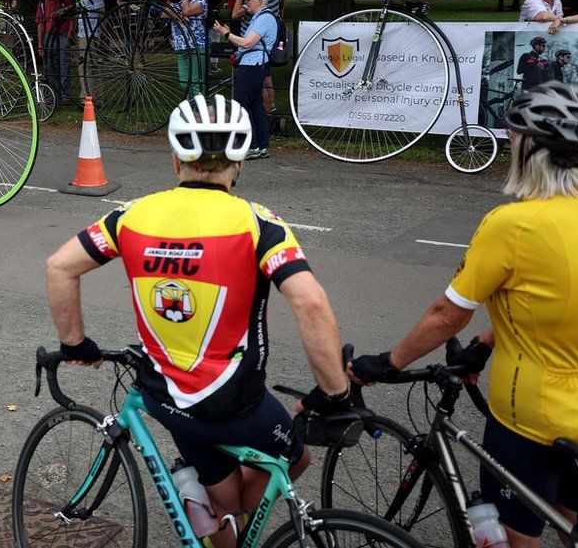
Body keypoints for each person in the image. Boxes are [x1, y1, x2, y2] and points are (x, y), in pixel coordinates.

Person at [47, 93, 351, 548]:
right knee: (296, 458)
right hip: (238, 404)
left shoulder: (130, 216)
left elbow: (59, 266)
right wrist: (335, 393)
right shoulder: (258, 224)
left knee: (224, 502)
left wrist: (75, 345)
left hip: (168, 400)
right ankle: (223, 513)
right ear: (241, 160)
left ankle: (209, 508)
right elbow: (309, 302)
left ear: (174, 158)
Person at [348, 80, 578, 548]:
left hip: (531, 413)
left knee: (515, 534)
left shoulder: (513, 224)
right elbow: (568, 302)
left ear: (529, 146)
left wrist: (390, 362)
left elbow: (447, 315)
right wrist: (489, 343)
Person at [214, 0, 278, 160]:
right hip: (256, 64)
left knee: (241, 106)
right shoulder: (263, 17)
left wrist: (226, 34)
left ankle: (252, 145)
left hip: (252, 65)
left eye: (248, 0)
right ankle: (261, 145)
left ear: (258, 1)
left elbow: (247, 43)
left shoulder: (263, 19)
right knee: (255, 105)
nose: (245, 3)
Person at [66, 0, 104, 101]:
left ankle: (87, 99)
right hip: (84, 33)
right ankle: (96, 98)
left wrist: (100, 33)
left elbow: (102, 12)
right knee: (91, 67)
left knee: (86, 67)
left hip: (91, 34)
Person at [36, 0, 74, 104]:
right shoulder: (42, 4)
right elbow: (40, 24)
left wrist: (69, 35)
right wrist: (40, 44)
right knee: (49, 67)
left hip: (62, 35)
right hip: (48, 36)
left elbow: (72, 19)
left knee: (64, 66)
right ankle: (51, 96)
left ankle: (65, 97)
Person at [169, 0, 207, 97]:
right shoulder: (180, 2)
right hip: (182, 47)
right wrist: (180, 17)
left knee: (196, 83)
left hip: (196, 46)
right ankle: (192, 108)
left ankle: (200, 111)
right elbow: (165, 12)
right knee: (184, 83)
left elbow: (187, 11)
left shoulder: (200, 0)